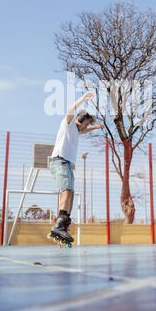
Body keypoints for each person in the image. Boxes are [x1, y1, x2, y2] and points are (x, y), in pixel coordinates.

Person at [48, 91, 104, 245]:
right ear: (80, 118)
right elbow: (70, 110)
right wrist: (83, 98)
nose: (87, 125)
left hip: (67, 163)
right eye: (86, 122)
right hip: (59, 161)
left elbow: (83, 130)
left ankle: (63, 223)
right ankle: (58, 225)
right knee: (66, 191)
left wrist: (95, 127)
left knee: (70, 193)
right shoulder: (68, 123)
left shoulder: (76, 131)